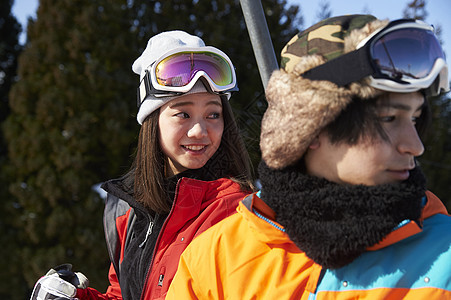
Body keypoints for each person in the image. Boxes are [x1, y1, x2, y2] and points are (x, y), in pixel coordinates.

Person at [166, 15, 451, 299]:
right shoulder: (215, 261)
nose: (415, 146)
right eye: (388, 118)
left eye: (414, 119)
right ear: (310, 128)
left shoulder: (444, 256)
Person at [30, 30, 254, 300]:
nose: (199, 130)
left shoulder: (233, 211)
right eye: (183, 113)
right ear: (152, 121)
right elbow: (123, 294)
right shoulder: (130, 210)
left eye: (213, 114)